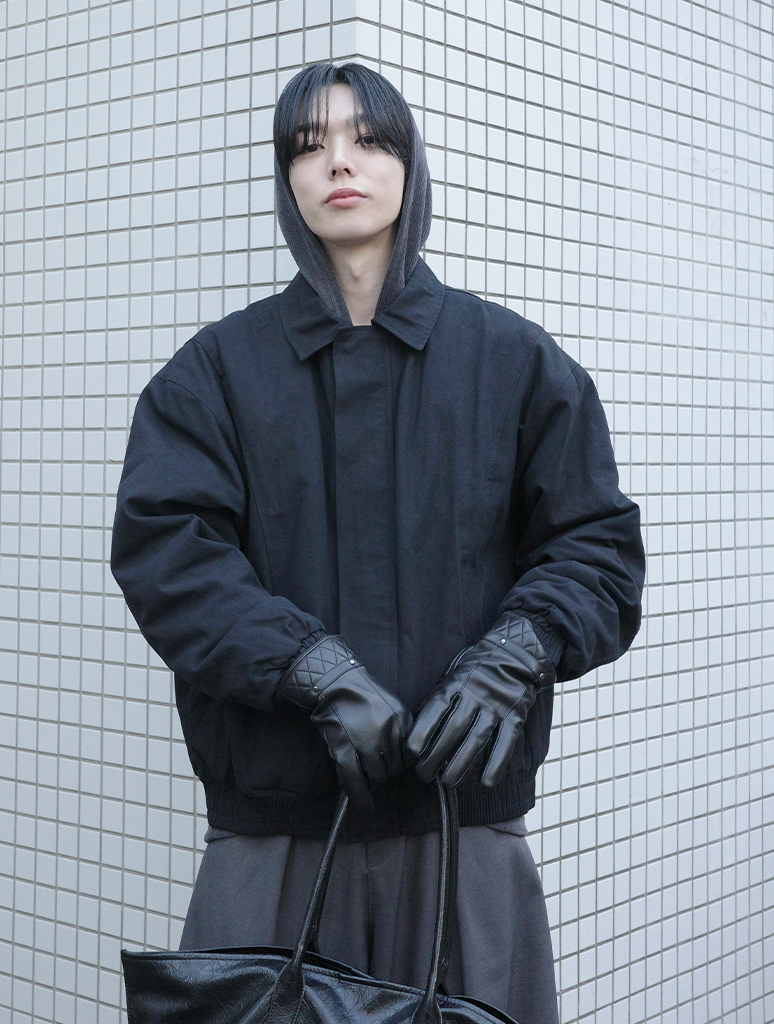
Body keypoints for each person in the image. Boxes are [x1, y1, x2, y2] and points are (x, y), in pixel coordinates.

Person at [110, 62, 645, 1024]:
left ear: (411, 163)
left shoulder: (516, 364)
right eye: (308, 145)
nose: (338, 163)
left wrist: (514, 655)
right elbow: (169, 557)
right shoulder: (212, 375)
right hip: (274, 837)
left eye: (368, 138)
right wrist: (306, 667)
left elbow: (595, 547)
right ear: (287, 180)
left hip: (464, 832)